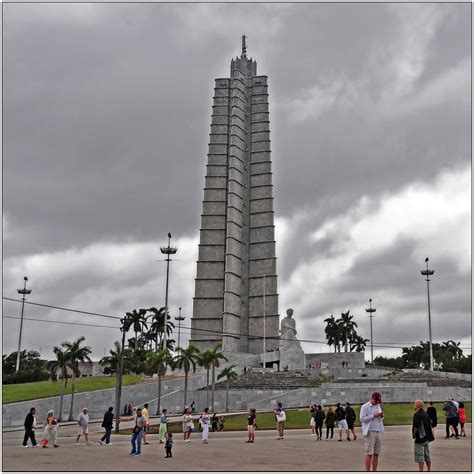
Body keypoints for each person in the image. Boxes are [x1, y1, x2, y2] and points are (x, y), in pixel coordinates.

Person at [360, 391, 384, 472]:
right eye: (376, 401)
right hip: (370, 431)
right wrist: (374, 415)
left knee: (377, 453)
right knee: (369, 453)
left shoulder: (378, 405)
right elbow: (362, 419)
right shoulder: (365, 406)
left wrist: (381, 416)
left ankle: (374, 470)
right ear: (372, 398)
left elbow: (380, 418)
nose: (377, 403)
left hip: (378, 430)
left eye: (378, 401)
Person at [412, 400, 434, 472]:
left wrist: (414, 434)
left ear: (417, 405)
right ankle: (429, 470)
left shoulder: (417, 414)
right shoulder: (426, 414)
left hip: (420, 438)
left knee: (420, 455)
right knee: (427, 455)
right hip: (426, 438)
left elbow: (416, 426)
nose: (413, 405)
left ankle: (421, 470)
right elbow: (430, 424)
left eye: (414, 404)